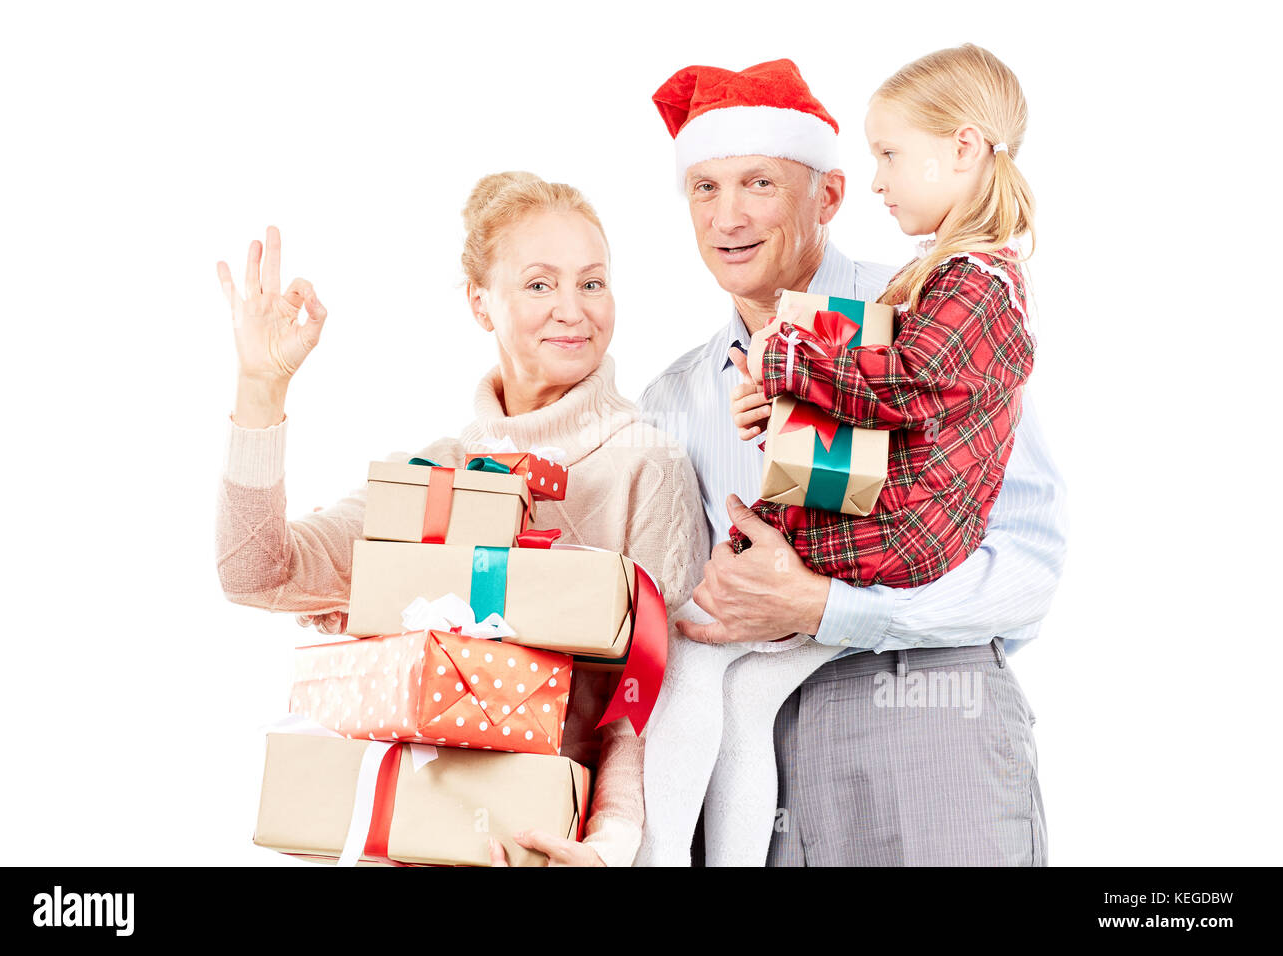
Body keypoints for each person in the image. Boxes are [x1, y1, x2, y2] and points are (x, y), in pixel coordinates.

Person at [636, 51, 1067, 866]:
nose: (728, 217)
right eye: (705, 187)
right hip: (745, 772)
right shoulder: (673, 400)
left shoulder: (918, 310)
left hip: (923, 728)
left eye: (760, 183)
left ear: (827, 196)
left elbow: (1029, 568)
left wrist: (825, 607)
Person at [214, 172, 710, 867]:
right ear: (481, 303)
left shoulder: (645, 464)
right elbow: (257, 574)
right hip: (416, 835)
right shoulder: (436, 476)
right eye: (540, 284)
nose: (574, 309)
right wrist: (260, 393)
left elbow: (652, 694)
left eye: (592, 283)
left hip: (547, 844)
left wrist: (610, 845)